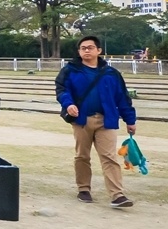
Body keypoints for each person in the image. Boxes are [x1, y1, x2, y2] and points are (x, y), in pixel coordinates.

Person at [56, 35, 138, 208]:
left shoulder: (111, 73)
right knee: (82, 156)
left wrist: (130, 120)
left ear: (99, 50)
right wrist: (68, 104)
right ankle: (84, 189)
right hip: (81, 119)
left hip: (106, 119)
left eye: (90, 47)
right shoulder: (70, 70)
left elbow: (122, 98)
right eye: (83, 48)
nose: (86, 50)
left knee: (109, 157)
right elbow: (62, 90)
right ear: (79, 51)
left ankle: (117, 194)